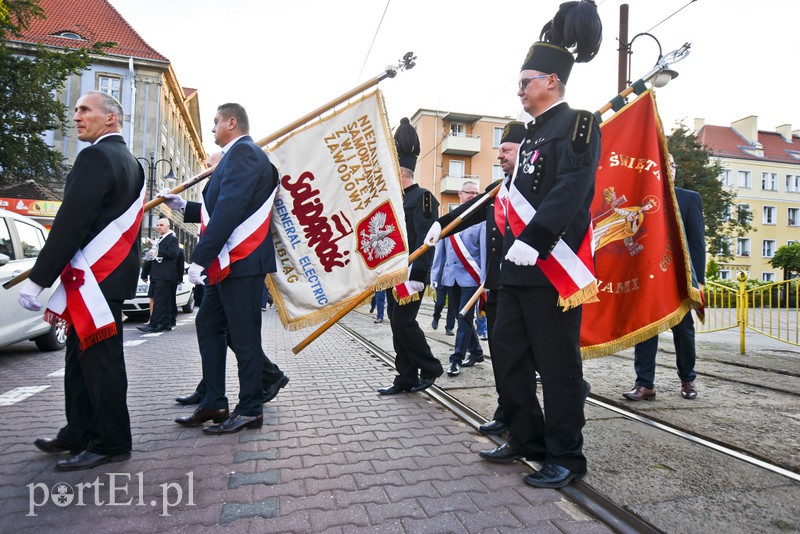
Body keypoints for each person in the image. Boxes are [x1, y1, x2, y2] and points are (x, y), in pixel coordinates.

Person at [429, 2, 603, 489]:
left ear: (551, 80)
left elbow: (573, 188)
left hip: (551, 267)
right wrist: (444, 224)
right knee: (508, 356)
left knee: (559, 366)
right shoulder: (527, 137)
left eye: (525, 82)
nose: (520, 90)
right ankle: (526, 437)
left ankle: (566, 456)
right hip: (514, 270)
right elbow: (504, 199)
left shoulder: (579, 124)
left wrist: (537, 237)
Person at [21, 91, 144, 470]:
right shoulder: (133, 163)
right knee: (79, 361)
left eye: (85, 110)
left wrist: (39, 279)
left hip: (96, 280)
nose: (76, 116)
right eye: (76, 110)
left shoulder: (95, 157)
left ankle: (110, 441)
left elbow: (71, 223)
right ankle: (79, 430)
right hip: (105, 278)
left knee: (100, 364)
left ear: (110, 118)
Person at [162, 103, 288, 434]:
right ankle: (214, 402)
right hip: (228, 261)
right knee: (208, 324)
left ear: (232, 122)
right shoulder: (235, 156)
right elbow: (220, 206)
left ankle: (250, 409)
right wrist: (185, 208)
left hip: (242, 262)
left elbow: (231, 209)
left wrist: (200, 258)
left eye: (216, 122)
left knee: (243, 337)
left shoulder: (245, 153)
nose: (212, 128)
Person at [623, 155, 705, 401]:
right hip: (649, 279)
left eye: (671, 165)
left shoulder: (689, 198)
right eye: (662, 165)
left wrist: (697, 280)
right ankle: (644, 384)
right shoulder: (642, 201)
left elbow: (697, 244)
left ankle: (688, 380)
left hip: (680, 280)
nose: (669, 168)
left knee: (684, 331)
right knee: (646, 331)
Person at [377, 118, 443, 395]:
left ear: (400, 170)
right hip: (394, 273)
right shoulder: (396, 200)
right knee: (396, 324)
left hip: (411, 275)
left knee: (404, 323)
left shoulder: (424, 198)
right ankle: (405, 376)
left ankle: (430, 367)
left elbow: (426, 242)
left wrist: (418, 277)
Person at [430, 180, 486, 376]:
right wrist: (435, 277)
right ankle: (477, 351)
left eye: (476, 193)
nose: (473, 196)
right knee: (460, 316)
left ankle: (455, 359)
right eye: (469, 193)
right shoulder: (450, 221)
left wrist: (485, 280)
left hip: (471, 279)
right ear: (459, 195)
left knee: (463, 318)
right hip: (450, 278)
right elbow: (440, 253)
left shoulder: (481, 221)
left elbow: (485, 253)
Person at [137, 218, 180, 333]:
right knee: (164, 300)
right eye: (157, 225)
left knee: (159, 300)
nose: (159, 227)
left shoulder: (172, 239)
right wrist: (145, 273)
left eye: (161, 225)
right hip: (157, 274)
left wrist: (156, 251)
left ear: (168, 227)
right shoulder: (160, 240)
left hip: (164, 274)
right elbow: (150, 258)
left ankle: (154, 324)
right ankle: (165, 324)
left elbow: (173, 253)